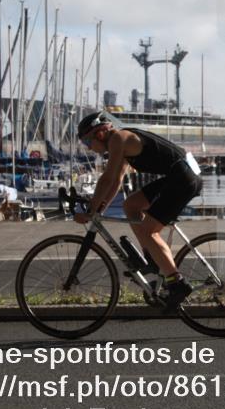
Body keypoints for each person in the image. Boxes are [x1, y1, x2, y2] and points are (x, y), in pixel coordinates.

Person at [74, 111, 202, 312]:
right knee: (130, 206)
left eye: (88, 144)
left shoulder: (119, 138)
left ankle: (177, 283)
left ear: (98, 134)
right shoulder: (121, 143)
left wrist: (90, 210)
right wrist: (98, 210)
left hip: (183, 178)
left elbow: (107, 178)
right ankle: (153, 259)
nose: (90, 149)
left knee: (150, 230)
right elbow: (116, 180)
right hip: (178, 175)